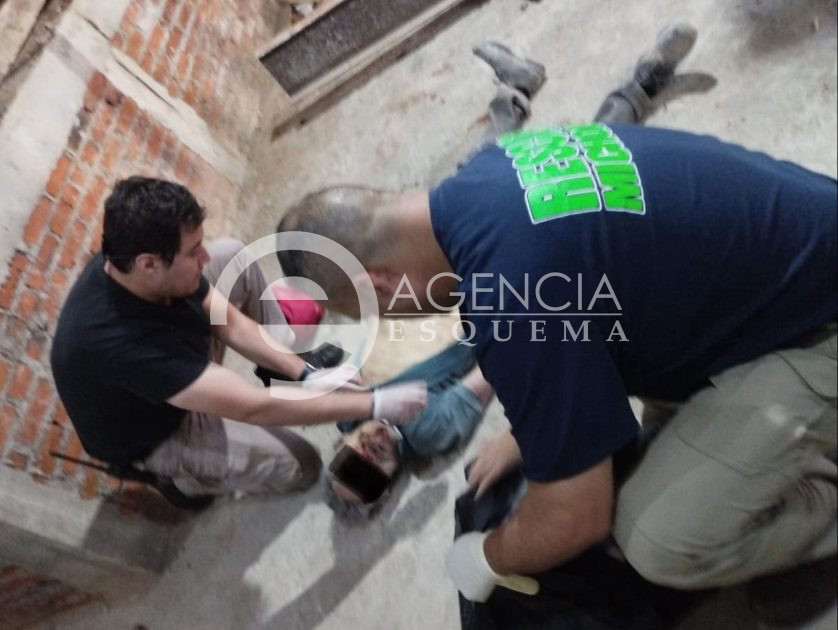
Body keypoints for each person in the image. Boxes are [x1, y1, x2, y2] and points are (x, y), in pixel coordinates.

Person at [275, 22, 837, 623]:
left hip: (817, 324)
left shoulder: (509, 295)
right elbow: (579, 307)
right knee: (645, 443)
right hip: (796, 258)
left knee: (654, 538)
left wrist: (486, 557)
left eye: (375, 311)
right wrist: (535, 435)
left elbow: (575, 516)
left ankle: (821, 514)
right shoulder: (491, 171)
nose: (393, 320)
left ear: (380, 282)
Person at [50, 177, 427, 503]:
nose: (204, 256)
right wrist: (372, 404)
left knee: (230, 255)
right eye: (192, 251)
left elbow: (227, 321)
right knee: (303, 466)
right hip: (160, 431)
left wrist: (304, 373)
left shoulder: (131, 260)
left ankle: (287, 366)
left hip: (177, 364)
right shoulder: (119, 344)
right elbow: (252, 408)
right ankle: (181, 481)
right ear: (148, 264)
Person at [325, 343, 494, 518]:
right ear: (388, 481)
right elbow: (490, 370)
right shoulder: (426, 432)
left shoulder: (346, 401)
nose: (367, 457)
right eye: (368, 478)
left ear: (340, 444)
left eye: (350, 467)